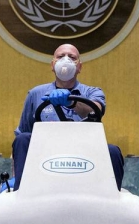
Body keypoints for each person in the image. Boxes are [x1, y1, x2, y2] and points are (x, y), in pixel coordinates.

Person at [12, 43, 125, 191]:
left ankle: (111, 197)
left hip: (85, 152)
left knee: (113, 151)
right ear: (53, 65)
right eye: (60, 57)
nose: (66, 60)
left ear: (79, 67)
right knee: (22, 140)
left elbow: (94, 109)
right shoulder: (36, 94)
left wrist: (71, 102)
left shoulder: (93, 92)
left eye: (72, 57)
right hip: (45, 152)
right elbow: (23, 131)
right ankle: (21, 191)